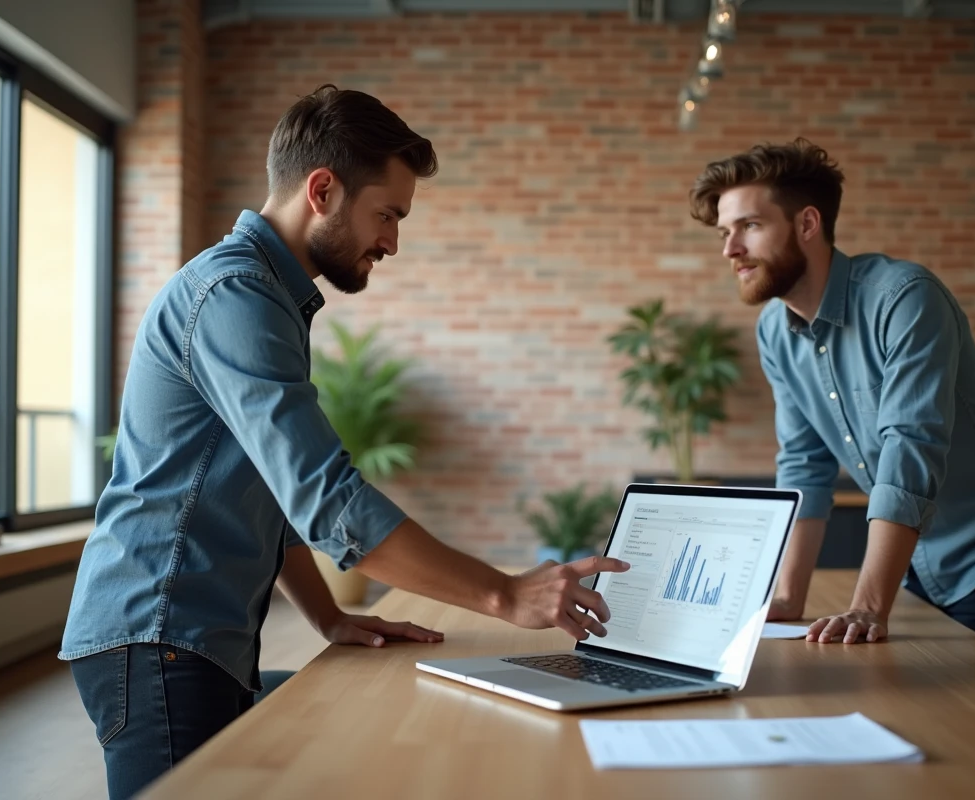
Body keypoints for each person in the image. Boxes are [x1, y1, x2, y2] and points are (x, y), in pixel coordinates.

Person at [60, 85, 628, 800]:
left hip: (190, 637)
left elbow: (270, 488)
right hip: (159, 634)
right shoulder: (235, 296)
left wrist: (327, 616)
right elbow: (328, 498)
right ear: (322, 190)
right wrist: (504, 593)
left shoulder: (266, 296)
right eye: (386, 214)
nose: (391, 240)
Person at [688, 138, 975, 661]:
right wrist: (790, 598)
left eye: (749, 225)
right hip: (912, 561)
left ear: (807, 224)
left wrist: (867, 604)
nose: (730, 249)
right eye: (725, 233)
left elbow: (911, 445)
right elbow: (803, 464)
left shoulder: (904, 298)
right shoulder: (774, 330)